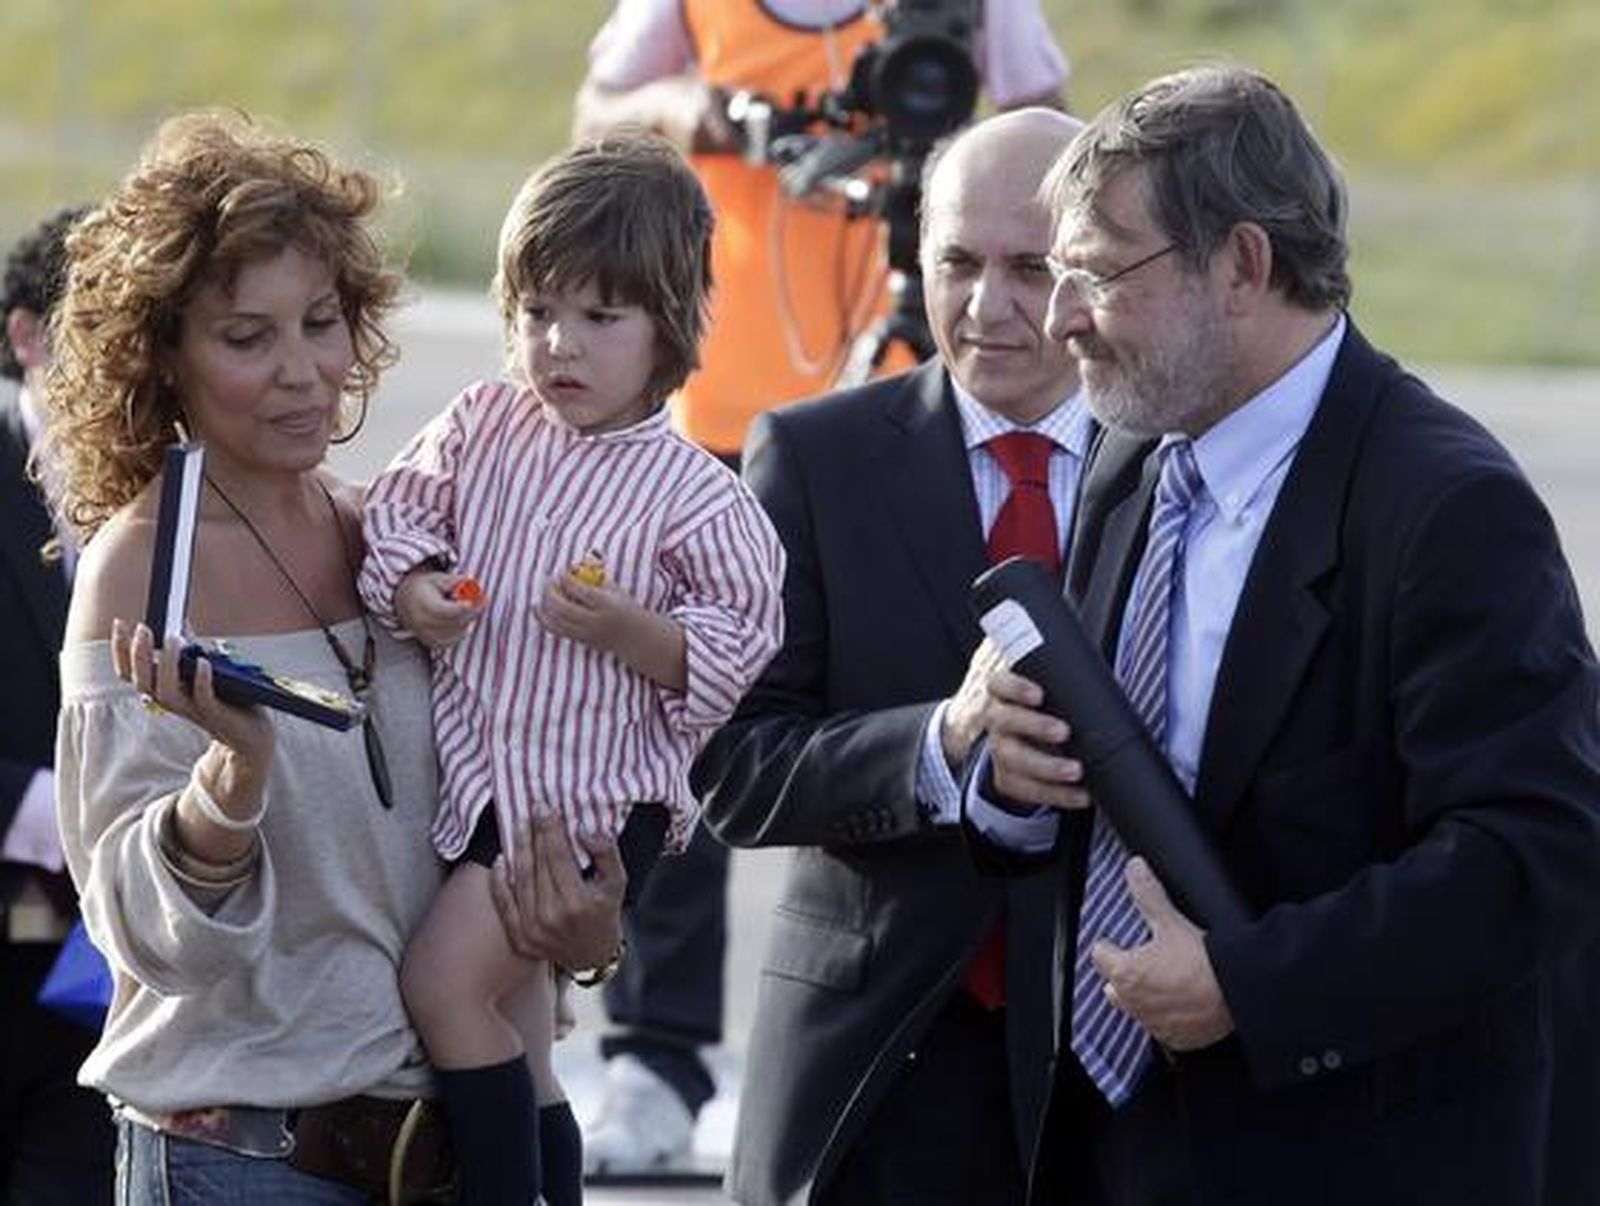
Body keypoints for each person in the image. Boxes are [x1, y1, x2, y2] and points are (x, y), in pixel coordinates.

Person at [968, 65, 1600, 1206]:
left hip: (1359, 1153)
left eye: (1096, 274)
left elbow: (1530, 853)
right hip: (1117, 1145)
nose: (1059, 320)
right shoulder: (1131, 458)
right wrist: (1007, 771)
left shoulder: (1448, 509)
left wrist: (1248, 986)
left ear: (1242, 266)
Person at [41, 110, 627, 1206]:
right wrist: (231, 783)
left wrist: (585, 936)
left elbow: (486, 818)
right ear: (162, 355)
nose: (303, 372)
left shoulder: (392, 536)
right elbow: (142, 938)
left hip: (458, 1146)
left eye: (322, 322)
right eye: (246, 337)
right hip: (241, 1163)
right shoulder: (141, 572)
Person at [572, 0, 1070, 1172]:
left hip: (915, 398)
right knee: (681, 723)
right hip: (722, 401)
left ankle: (982, 1022)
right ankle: (657, 1051)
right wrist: (703, 115)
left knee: (947, 720)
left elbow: (1053, 136)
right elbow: (599, 113)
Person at [359, 131, 786, 1206]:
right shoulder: (484, 425)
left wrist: (640, 635)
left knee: (442, 989)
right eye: (538, 312)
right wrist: (416, 591)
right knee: (518, 1035)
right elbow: (397, 514)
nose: (562, 345)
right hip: (481, 784)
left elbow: (746, 637)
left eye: (602, 318)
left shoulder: (694, 492)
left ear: (670, 326)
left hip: (589, 806)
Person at [689, 107, 1084, 1206]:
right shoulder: (816, 457)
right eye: (957, 263)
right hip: (877, 1072)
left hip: (1114, 1066)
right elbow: (736, 770)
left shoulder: (1175, 467)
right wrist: (939, 742)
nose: (987, 306)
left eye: (1031, 269)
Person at [1, 206, 114, 1206]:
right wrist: (58, 814)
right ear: (27, 336)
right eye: (95, 330)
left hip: (104, 979)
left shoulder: (179, 491)